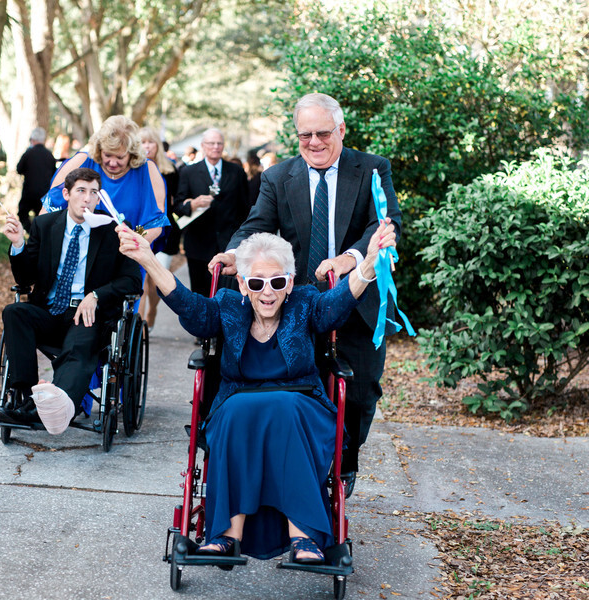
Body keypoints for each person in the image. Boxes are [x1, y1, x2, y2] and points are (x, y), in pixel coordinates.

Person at [117, 223, 395, 561]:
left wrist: (367, 265)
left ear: (290, 283)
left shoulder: (306, 304)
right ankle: (225, 536)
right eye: (257, 282)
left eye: (277, 282)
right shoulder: (228, 307)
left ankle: (303, 536)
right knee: (235, 412)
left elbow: (338, 302)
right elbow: (189, 306)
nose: (267, 292)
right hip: (239, 406)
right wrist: (148, 260)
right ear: (243, 285)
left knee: (284, 408)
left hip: (302, 406)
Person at [209, 93, 403, 499]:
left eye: (322, 133)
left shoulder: (371, 169)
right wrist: (234, 252)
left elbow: (384, 225)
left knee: (362, 390)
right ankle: (296, 471)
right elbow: (255, 225)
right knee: (298, 388)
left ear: (341, 130)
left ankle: (345, 460)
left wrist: (350, 259)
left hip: (355, 300)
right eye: (304, 135)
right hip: (295, 306)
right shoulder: (280, 177)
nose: (314, 142)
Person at [0, 168, 142, 425]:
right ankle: (25, 396)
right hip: (49, 312)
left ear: (99, 198)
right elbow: (25, 280)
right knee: (14, 312)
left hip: (86, 316)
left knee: (79, 340)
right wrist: (18, 244)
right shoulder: (44, 225)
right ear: (66, 194)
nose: (87, 199)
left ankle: (54, 407)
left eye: (93, 192)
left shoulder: (113, 229)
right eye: (80, 191)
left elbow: (132, 280)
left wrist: (96, 295)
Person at [40, 115, 169, 245]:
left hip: (129, 253)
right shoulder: (81, 161)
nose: (112, 163)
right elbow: (48, 211)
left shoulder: (147, 170)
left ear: (132, 153)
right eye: (107, 155)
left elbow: (156, 221)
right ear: (99, 148)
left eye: (120, 157)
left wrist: (133, 244)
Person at [173, 128, 250, 298]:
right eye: (211, 143)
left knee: (229, 297)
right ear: (202, 146)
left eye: (219, 143)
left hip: (229, 246)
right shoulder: (189, 172)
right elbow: (178, 207)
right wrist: (193, 204)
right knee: (200, 297)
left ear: (223, 146)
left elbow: (246, 208)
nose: (215, 147)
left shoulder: (236, 172)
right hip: (198, 246)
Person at [138, 126, 181, 330]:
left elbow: (175, 202)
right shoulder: (134, 170)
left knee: (155, 282)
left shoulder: (170, 171)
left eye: (150, 142)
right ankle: (141, 326)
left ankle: (152, 311)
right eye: (143, 142)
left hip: (164, 232)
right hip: (140, 230)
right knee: (141, 282)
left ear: (158, 145)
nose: (147, 146)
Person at [16, 127, 58, 233]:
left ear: (32, 140)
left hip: (29, 192)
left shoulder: (28, 153)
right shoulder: (49, 155)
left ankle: (30, 232)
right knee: (41, 216)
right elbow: (54, 173)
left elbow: (19, 169)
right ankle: (38, 234)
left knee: (22, 213)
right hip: (44, 193)